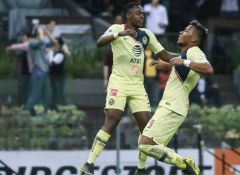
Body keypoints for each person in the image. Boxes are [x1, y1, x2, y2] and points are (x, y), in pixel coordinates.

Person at [80, 2, 178, 175]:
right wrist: (120, 33)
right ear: (129, 15)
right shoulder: (117, 28)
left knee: (146, 129)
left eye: (142, 13)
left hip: (137, 86)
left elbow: (165, 55)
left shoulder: (147, 35)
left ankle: (141, 170)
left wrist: (188, 57)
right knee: (112, 121)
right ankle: (88, 164)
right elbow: (99, 42)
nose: (142, 16)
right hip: (118, 82)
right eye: (138, 13)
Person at [138, 20, 213, 175]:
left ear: (193, 39)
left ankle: (185, 163)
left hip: (172, 106)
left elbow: (208, 69)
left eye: (186, 31)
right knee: (148, 143)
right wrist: (168, 65)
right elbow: (181, 66)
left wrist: (183, 62)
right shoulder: (186, 54)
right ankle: (142, 171)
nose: (181, 32)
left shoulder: (194, 52)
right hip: (172, 106)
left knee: (145, 145)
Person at [6, 33, 33, 105]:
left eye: (24, 38)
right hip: (24, 72)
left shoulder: (30, 45)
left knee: (28, 89)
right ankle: (23, 104)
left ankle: (27, 104)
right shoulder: (23, 48)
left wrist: (10, 47)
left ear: (29, 38)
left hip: (30, 72)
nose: (22, 40)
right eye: (22, 38)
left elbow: (21, 46)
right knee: (23, 89)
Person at [48, 37, 66, 108]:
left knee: (60, 93)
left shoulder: (60, 54)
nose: (54, 44)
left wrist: (50, 52)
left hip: (59, 77)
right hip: (52, 77)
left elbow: (52, 62)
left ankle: (63, 108)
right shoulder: (53, 52)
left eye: (56, 43)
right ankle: (53, 107)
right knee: (54, 93)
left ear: (59, 45)